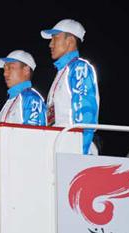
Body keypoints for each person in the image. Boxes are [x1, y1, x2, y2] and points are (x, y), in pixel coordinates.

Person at [40, 19, 100, 154]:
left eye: (55, 38)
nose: (50, 44)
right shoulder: (61, 72)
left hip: (73, 149)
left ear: (70, 41)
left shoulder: (80, 68)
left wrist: (79, 153)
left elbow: (86, 115)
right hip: (59, 146)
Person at [0, 50, 47, 126]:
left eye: (11, 67)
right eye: (5, 69)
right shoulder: (11, 100)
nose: (5, 73)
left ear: (26, 70)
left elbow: (35, 134)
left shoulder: (31, 98)